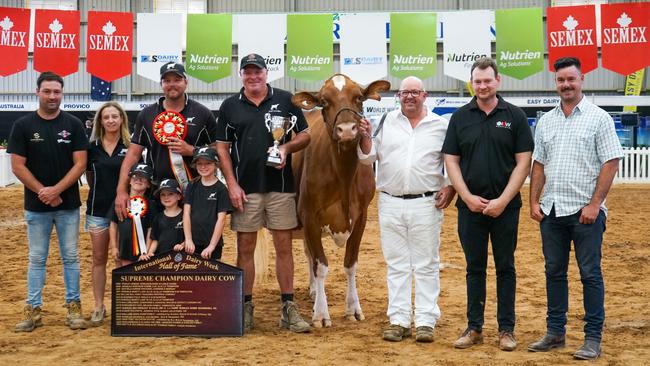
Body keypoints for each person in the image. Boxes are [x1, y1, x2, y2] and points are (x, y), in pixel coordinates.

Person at [527, 57, 623, 361]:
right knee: (553, 272)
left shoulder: (599, 118)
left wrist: (595, 204)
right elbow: (539, 164)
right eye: (560, 80)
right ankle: (555, 332)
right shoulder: (546, 120)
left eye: (571, 79)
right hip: (552, 211)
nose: (566, 84)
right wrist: (533, 201)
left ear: (582, 80)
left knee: (590, 274)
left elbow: (611, 161)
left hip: (585, 213)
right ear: (555, 83)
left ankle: (592, 338)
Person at [442, 57, 533, 351]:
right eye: (477, 81)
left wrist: (503, 200)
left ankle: (506, 329)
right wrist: (467, 197)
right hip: (470, 209)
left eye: (487, 81)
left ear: (498, 82)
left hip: (506, 209)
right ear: (472, 83)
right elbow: (451, 161)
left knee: (506, 267)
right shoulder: (460, 117)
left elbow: (524, 162)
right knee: (474, 268)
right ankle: (474, 327)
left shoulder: (515, 116)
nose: (481, 86)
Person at [215, 53, 311, 333]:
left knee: (284, 247)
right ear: (241, 75)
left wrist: (285, 148)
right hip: (246, 189)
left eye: (258, 72)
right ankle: (245, 306)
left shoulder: (286, 99)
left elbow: (305, 135)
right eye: (248, 72)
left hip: (280, 187)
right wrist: (231, 184)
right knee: (245, 249)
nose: (253, 76)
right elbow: (222, 146)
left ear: (267, 74)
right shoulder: (230, 106)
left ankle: (288, 307)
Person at [357, 76, 456, 343]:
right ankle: (398, 319)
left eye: (415, 92)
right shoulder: (386, 122)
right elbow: (367, 157)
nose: (409, 96)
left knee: (426, 264)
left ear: (425, 95)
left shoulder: (441, 125)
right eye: (404, 92)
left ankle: (425, 320)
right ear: (398, 96)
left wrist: (450, 186)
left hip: (427, 201)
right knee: (397, 264)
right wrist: (365, 137)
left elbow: (452, 161)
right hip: (390, 201)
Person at [9, 71, 89, 332]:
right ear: (37, 92)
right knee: (36, 259)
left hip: (68, 206)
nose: (52, 96)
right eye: (47, 91)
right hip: (36, 207)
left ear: (62, 93)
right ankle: (32, 309)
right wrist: (43, 191)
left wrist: (56, 190)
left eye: (57, 92)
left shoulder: (74, 124)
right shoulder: (22, 125)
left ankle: (74, 307)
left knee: (71, 258)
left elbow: (80, 164)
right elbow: (18, 166)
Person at [115, 62, 217, 220]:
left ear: (186, 82)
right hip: (159, 192)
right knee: (160, 241)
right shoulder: (147, 115)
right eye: (167, 81)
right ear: (161, 84)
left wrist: (192, 150)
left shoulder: (203, 113)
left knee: (196, 241)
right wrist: (121, 190)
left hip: (195, 191)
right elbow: (133, 154)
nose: (172, 84)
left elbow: (218, 151)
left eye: (177, 79)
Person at [85, 101, 130, 326]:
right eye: (106, 117)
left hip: (125, 212)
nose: (111, 120)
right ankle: (98, 305)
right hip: (98, 210)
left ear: (122, 119)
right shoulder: (91, 147)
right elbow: (88, 177)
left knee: (122, 258)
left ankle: (123, 305)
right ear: (100, 122)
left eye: (115, 116)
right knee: (99, 258)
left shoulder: (131, 146)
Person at [182, 147, 232, 260]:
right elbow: (186, 213)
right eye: (199, 163)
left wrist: (212, 246)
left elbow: (221, 219)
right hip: (192, 244)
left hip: (212, 244)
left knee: (211, 276)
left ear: (215, 164)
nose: (203, 167)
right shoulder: (192, 185)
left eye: (208, 163)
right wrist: (188, 239)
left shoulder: (221, 189)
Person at [110, 164, 156, 268]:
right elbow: (113, 225)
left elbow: (150, 229)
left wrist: (146, 251)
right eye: (135, 176)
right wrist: (114, 247)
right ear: (129, 181)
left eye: (143, 177)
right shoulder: (120, 202)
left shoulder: (151, 205)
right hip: (124, 248)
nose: (138, 180)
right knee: (124, 278)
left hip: (143, 252)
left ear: (149, 184)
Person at [141, 178, 185, 259]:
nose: (166, 197)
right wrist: (150, 252)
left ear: (179, 196)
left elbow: (192, 237)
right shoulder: (158, 217)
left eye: (170, 194)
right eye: (163, 194)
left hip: (181, 259)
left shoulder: (185, 216)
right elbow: (155, 239)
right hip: (162, 260)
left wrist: (183, 245)